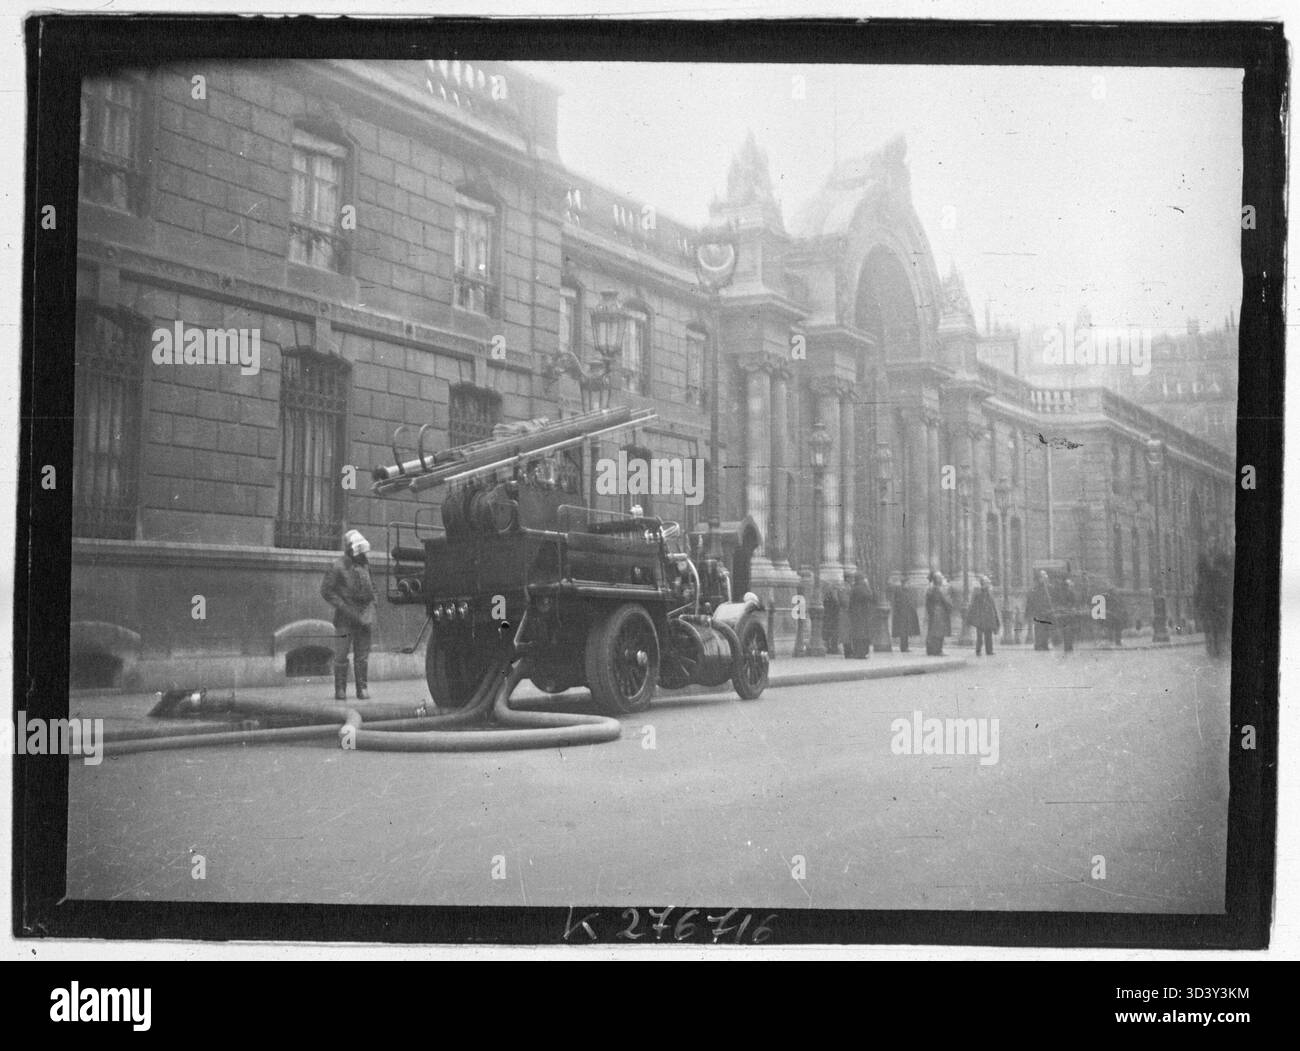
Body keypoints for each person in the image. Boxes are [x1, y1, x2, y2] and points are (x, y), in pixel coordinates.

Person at [321, 528, 377, 700]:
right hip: (345, 618)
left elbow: (373, 588)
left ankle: (362, 689)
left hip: (364, 617)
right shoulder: (337, 566)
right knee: (341, 655)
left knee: (362, 656)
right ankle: (340, 690)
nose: (361, 553)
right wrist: (343, 606)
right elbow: (326, 590)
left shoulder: (365, 564)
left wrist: (373, 606)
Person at [967, 574, 1000, 656]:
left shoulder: (989, 593)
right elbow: (974, 605)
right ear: (983, 583)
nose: (988, 584)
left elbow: (992, 605)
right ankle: (978, 650)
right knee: (979, 636)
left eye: (989, 582)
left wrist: (995, 616)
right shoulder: (978, 593)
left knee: (989, 635)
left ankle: (989, 650)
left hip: (988, 617)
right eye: (987, 582)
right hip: (981, 618)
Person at [847, 572, 875, 659]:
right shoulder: (862, 588)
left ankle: (858, 652)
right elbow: (870, 597)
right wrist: (868, 587)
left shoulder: (854, 587)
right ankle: (861, 653)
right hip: (862, 614)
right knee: (862, 634)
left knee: (857, 634)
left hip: (856, 614)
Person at [924, 571, 953, 656]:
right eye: (941, 578)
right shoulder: (940, 589)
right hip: (940, 613)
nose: (942, 579)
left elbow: (927, 603)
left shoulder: (930, 589)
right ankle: (938, 650)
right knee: (939, 633)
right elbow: (946, 601)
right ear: (938, 580)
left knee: (932, 632)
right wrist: (950, 606)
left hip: (933, 612)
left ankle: (930, 650)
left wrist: (930, 611)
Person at [1025, 570, 1054, 651]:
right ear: (1039, 579)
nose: (1045, 579)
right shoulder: (1035, 589)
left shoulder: (1049, 588)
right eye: (1043, 577)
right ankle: (1038, 645)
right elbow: (1031, 600)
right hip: (1039, 613)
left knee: (1046, 629)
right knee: (1038, 629)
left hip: (1047, 612)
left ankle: (1045, 645)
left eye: (1046, 577)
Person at [891, 581, 919, 652]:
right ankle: (904, 647)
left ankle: (905, 646)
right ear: (904, 584)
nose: (909, 585)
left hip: (905, 614)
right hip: (903, 615)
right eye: (907, 583)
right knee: (903, 632)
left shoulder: (905, 592)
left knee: (905, 632)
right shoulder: (902, 592)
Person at [1056, 576, 1079, 653]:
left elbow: (1074, 602)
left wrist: (1071, 607)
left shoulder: (1070, 593)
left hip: (1068, 613)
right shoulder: (1064, 593)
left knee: (1068, 630)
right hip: (1065, 614)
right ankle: (1067, 646)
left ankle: (1068, 646)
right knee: (1066, 630)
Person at [821, 582, 841, 656]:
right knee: (833, 633)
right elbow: (837, 606)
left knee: (829, 633)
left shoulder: (826, 598)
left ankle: (830, 647)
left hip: (829, 618)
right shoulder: (834, 599)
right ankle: (833, 648)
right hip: (833, 618)